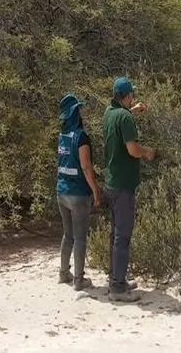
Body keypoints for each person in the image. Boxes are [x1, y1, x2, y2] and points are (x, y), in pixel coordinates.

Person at [102, 77, 154, 302]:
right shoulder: (124, 118)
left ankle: (116, 277)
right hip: (124, 184)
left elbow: (120, 117)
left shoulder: (109, 113)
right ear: (129, 95)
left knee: (115, 233)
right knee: (123, 236)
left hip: (111, 182)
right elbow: (132, 149)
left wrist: (132, 111)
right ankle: (118, 288)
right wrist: (147, 151)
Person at [55, 93, 99, 290]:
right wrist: (96, 191)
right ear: (75, 113)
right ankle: (79, 280)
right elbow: (86, 167)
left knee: (68, 235)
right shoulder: (81, 137)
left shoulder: (62, 135)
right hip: (78, 193)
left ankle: (64, 273)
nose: (82, 112)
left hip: (61, 191)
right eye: (79, 109)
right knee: (80, 237)